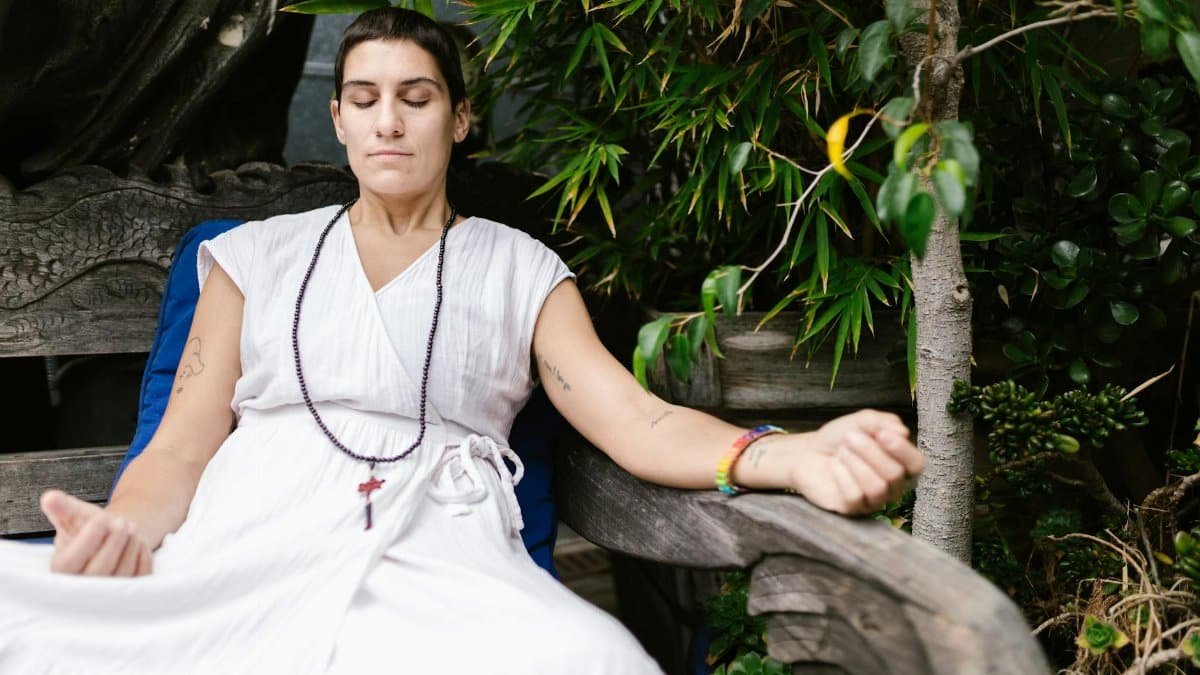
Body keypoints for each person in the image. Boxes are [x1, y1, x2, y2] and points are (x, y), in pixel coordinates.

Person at [0, 8, 923, 674]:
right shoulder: (253, 257)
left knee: (590, 656)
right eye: (362, 98)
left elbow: (636, 420)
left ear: (460, 117)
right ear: (339, 119)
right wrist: (124, 527)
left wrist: (788, 454)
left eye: (416, 96)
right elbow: (179, 447)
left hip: (439, 544)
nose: (388, 120)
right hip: (252, 529)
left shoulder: (521, 268)